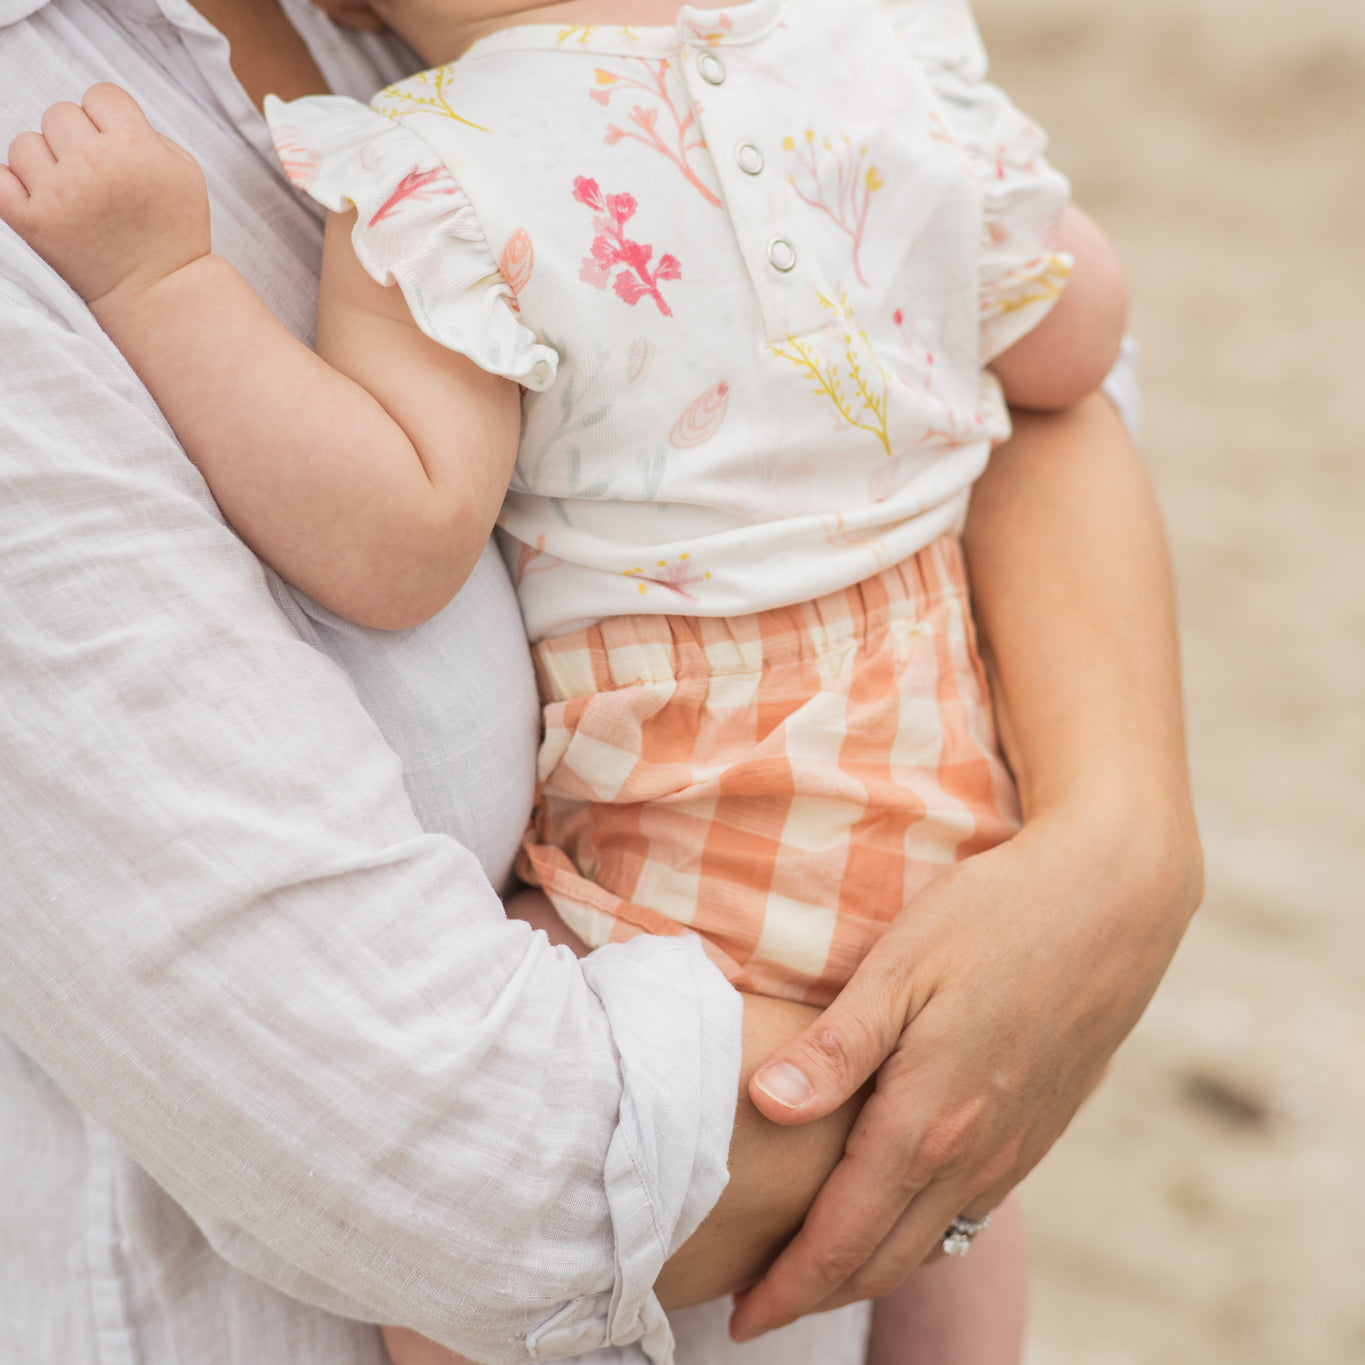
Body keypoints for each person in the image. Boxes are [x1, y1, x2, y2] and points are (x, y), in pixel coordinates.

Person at [0, 2, 1202, 1363]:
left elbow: (397, 539)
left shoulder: (442, 168)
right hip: (948, 790)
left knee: (452, 1315)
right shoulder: (857, 49)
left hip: (701, 826)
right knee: (955, 1194)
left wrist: (162, 284)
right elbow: (1064, 354)